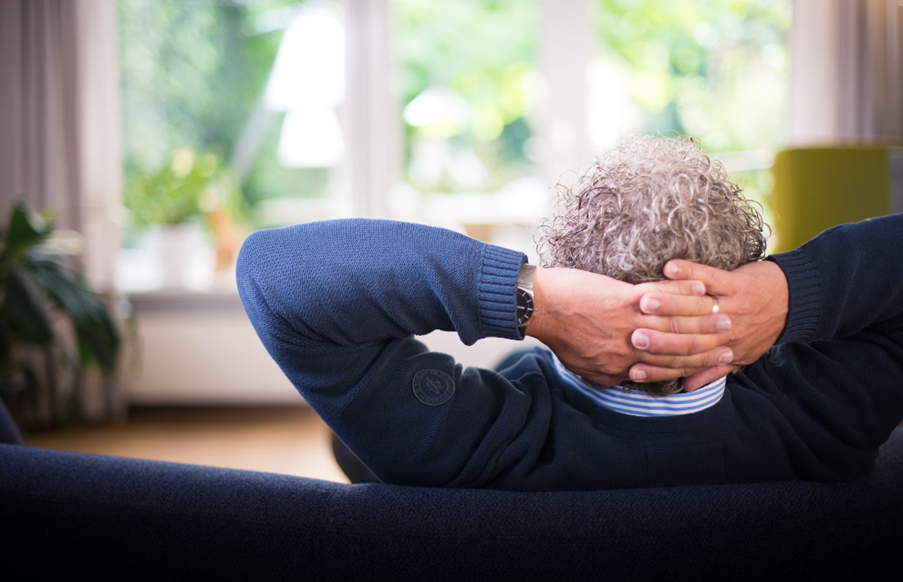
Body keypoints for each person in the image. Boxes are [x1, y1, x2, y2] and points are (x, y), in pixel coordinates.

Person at [237, 136, 903, 490]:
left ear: (567, 274)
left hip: (481, 430)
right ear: (740, 280)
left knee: (351, 439)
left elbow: (272, 272)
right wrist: (789, 292)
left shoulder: (471, 448)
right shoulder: (824, 421)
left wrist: (533, 300)